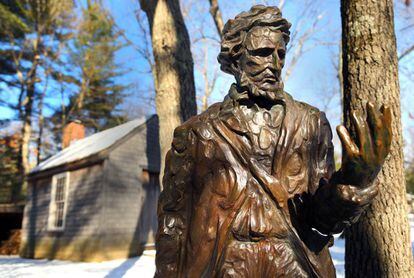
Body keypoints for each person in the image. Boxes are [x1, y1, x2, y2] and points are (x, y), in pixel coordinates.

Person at [155, 5, 392, 277]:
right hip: (226, 263)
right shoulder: (198, 134)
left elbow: (321, 219)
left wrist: (352, 183)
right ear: (236, 58)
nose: (274, 64)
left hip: (294, 261)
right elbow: (173, 224)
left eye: (280, 54)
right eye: (262, 53)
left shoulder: (310, 124)